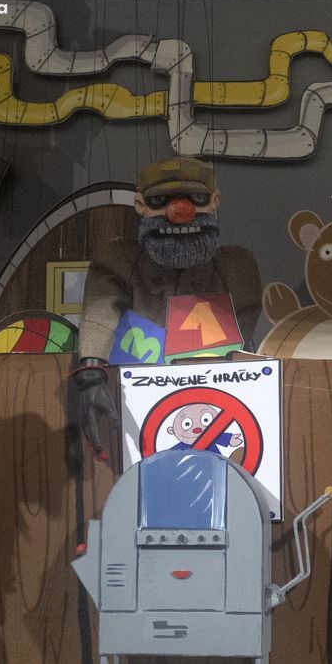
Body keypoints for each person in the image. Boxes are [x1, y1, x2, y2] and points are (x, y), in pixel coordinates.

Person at [72, 157, 262, 459]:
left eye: (196, 198)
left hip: (213, 409)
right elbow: (101, 310)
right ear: (140, 205)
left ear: (215, 201)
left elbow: (237, 338)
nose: (180, 212)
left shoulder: (234, 268)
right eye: (160, 201)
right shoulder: (118, 261)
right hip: (137, 412)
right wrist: (91, 371)